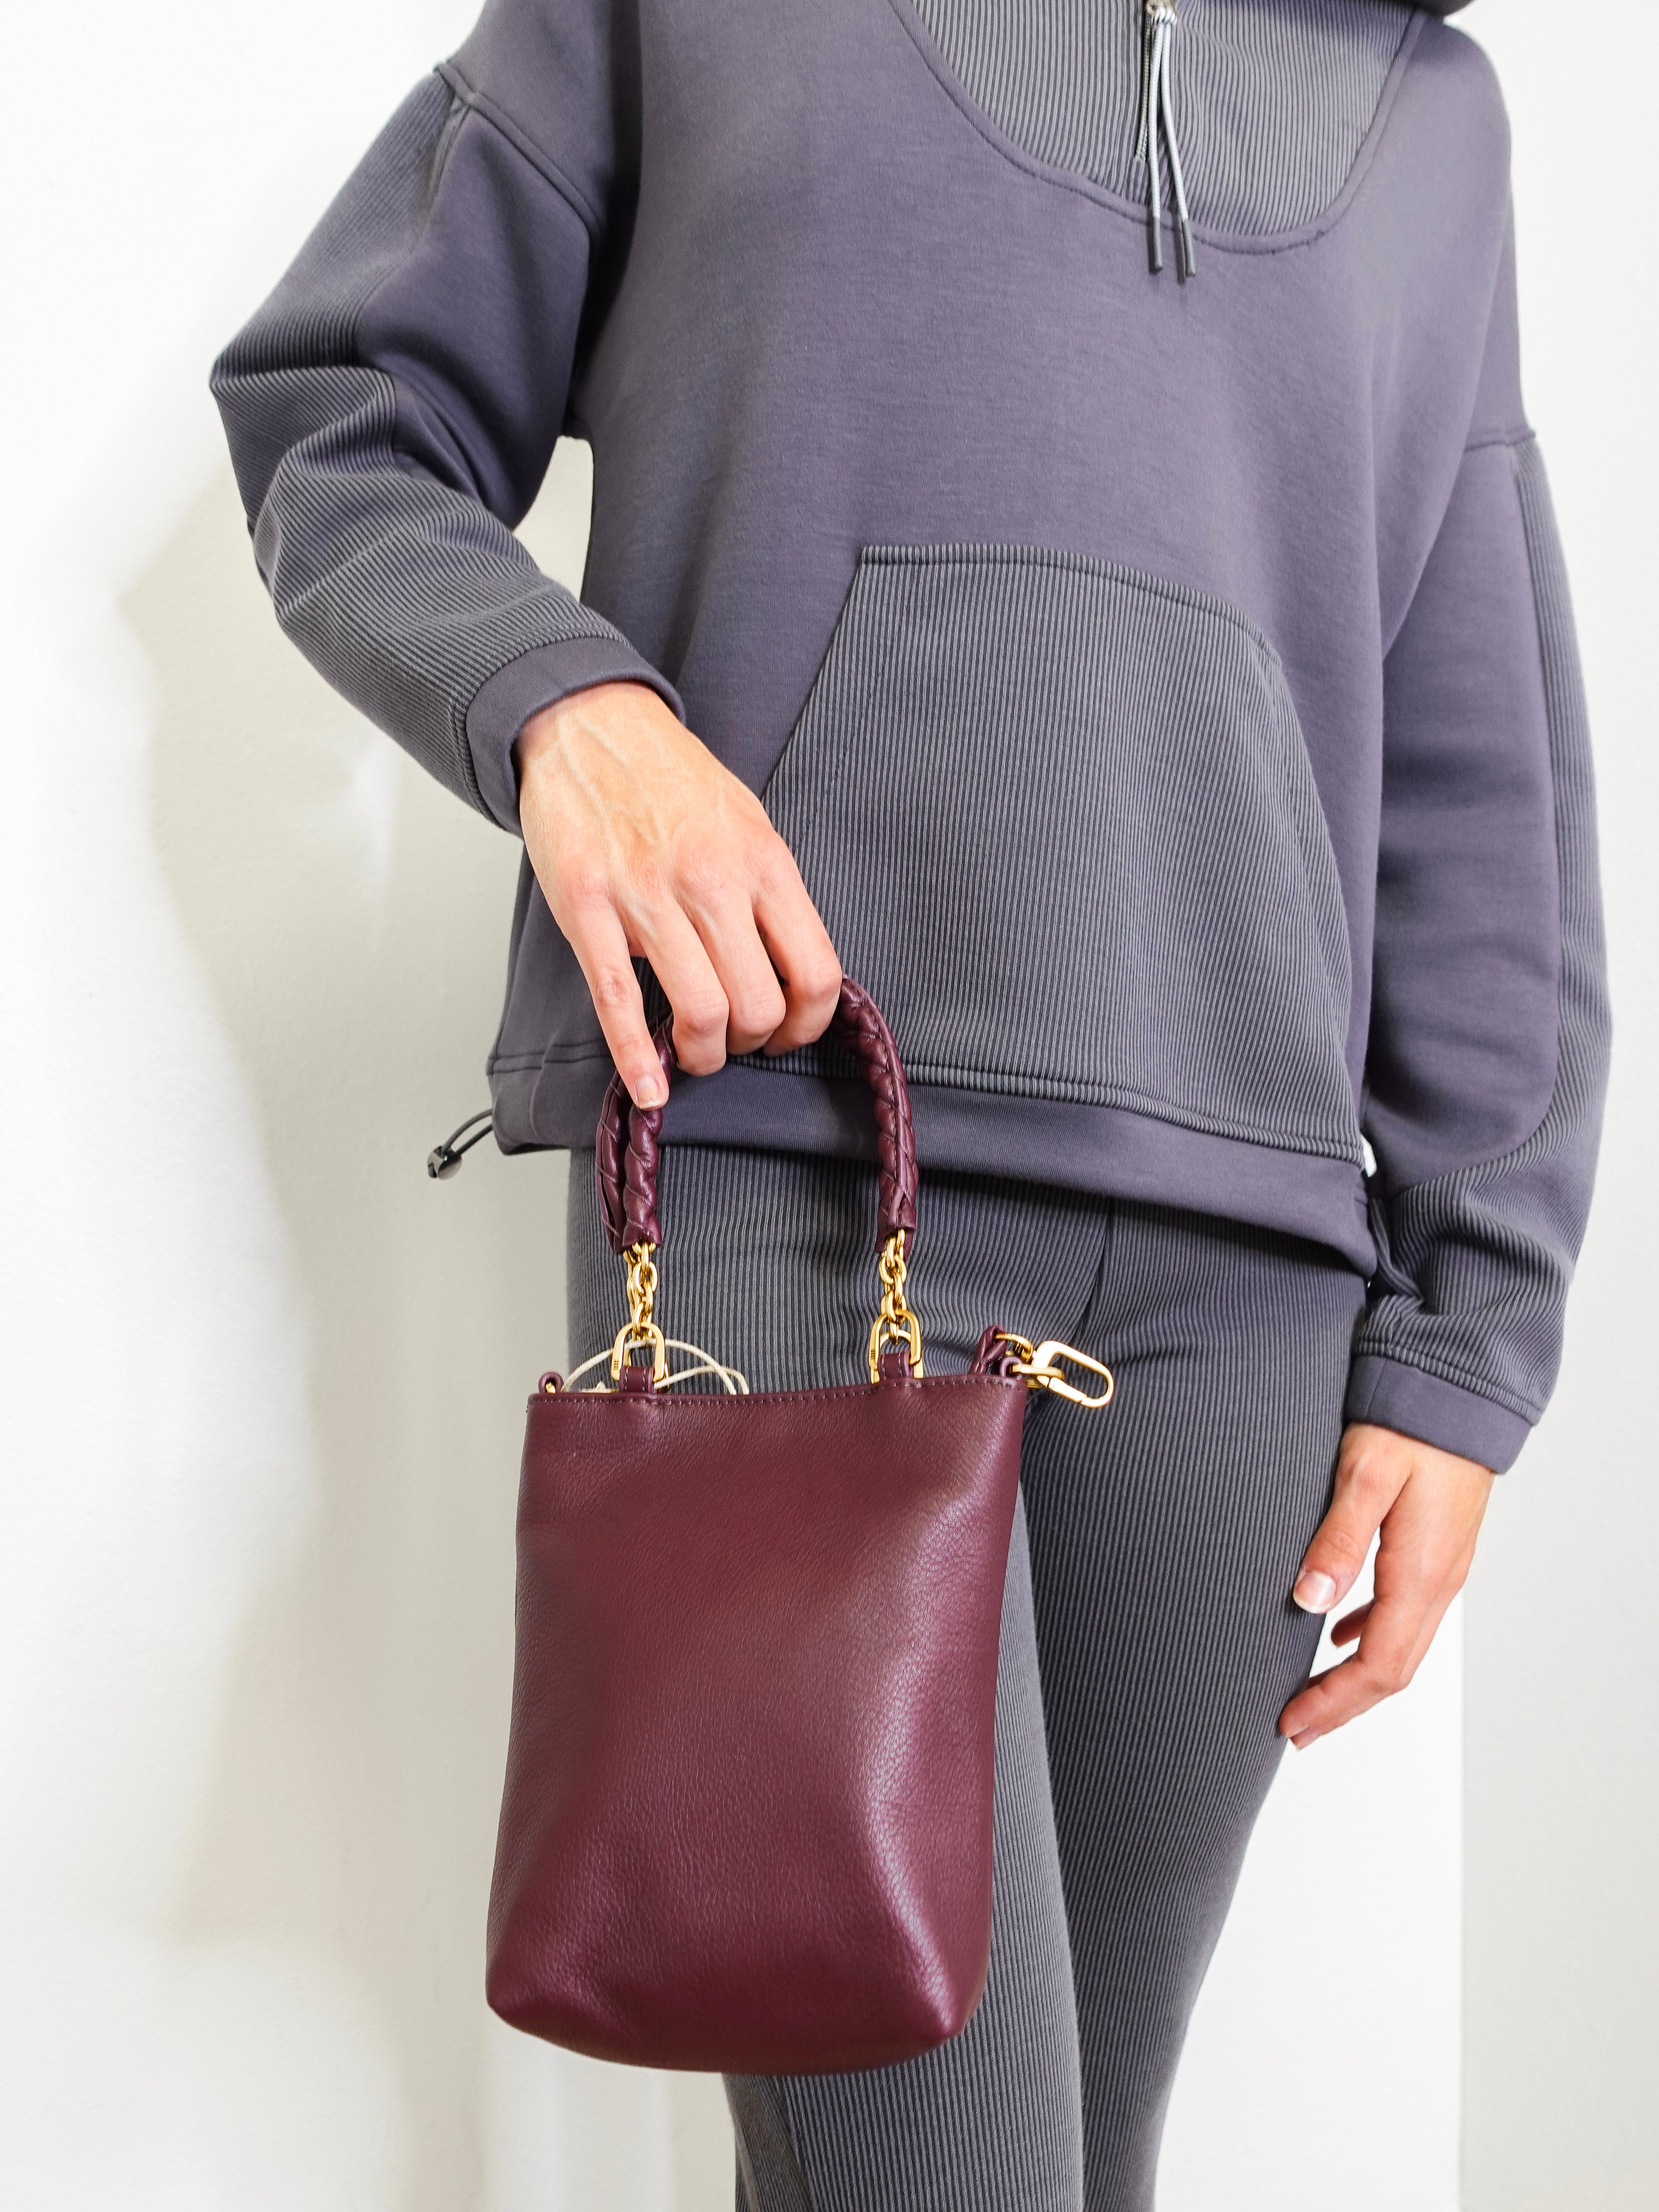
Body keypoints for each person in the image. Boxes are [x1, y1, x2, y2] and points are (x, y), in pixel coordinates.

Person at [212, 0, 1609, 2202]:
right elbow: (338, 412)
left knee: (1074, 2160)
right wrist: (563, 706)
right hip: (789, 1188)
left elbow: (1484, 769)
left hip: (1245, 1296)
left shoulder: (1429, 113)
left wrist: (1472, 1335)